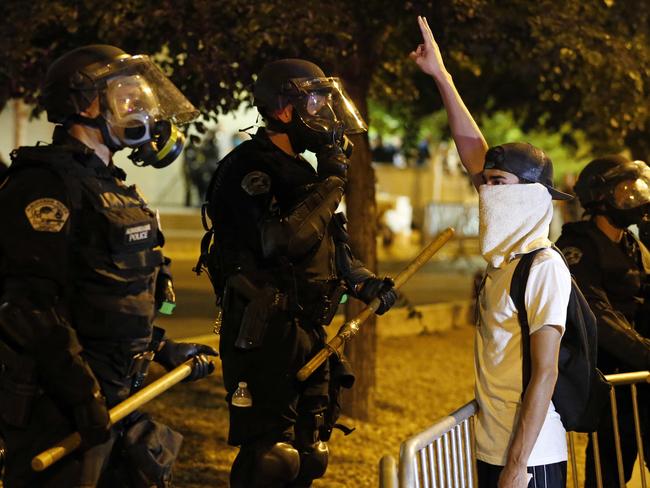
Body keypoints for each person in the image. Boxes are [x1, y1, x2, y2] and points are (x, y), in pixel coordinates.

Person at [0, 45, 217, 487]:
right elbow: (30, 308)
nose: (140, 108)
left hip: (118, 396)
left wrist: (158, 348)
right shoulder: (44, 185)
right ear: (84, 105)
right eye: (126, 97)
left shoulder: (112, 186)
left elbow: (105, 298)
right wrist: (83, 395)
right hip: (58, 408)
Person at [197, 58, 397, 487]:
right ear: (284, 108)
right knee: (272, 457)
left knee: (309, 454)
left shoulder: (303, 170)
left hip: (308, 329)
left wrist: (363, 282)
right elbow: (281, 240)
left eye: (326, 100)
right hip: (264, 329)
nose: (324, 112)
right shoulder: (248, 169)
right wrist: (332, 183)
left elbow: (329, 239)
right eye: (314, 100)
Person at [411, 16, 572, 488]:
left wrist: (518, 465)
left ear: (531, 195)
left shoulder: (543, 267)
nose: (486, 193)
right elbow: (474, 151)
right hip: (491, 446)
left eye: (498, 184)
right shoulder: (505, 262)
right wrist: (442, 77)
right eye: (485, 183)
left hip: (530, 460)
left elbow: (545, 374)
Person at [556, 155, 650, 487]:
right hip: (609, 385)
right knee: (607, 474)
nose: (636, 198)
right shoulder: (575, 248)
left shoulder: (632, 245)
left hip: (641, 380)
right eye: (626, 191)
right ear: (599, 198)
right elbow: (598, 316)